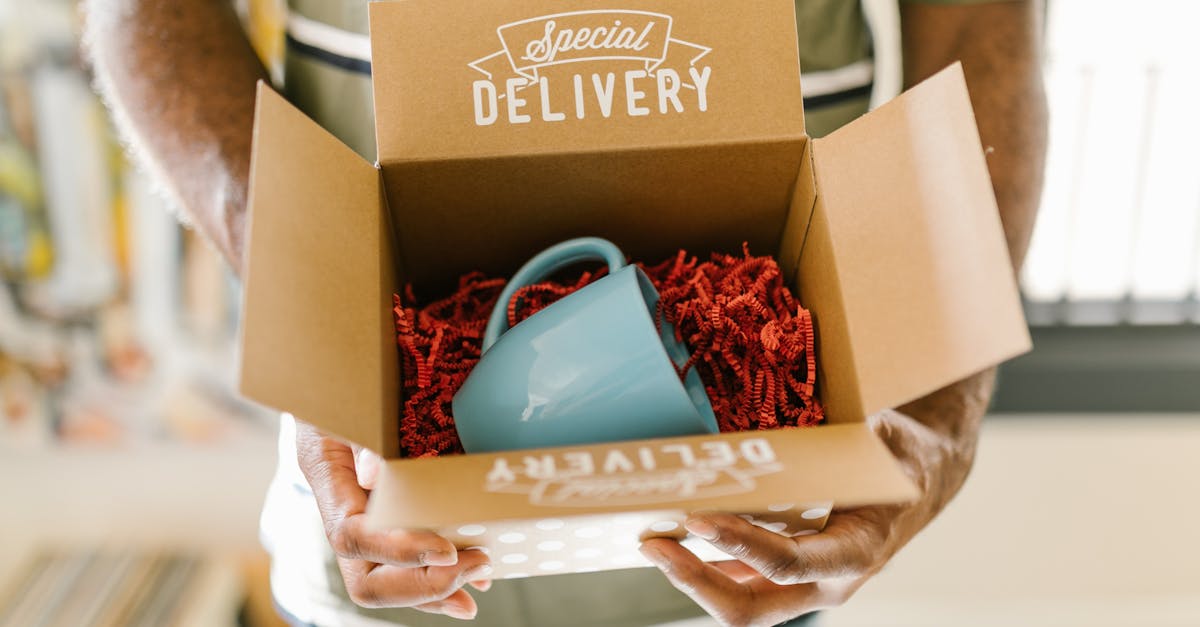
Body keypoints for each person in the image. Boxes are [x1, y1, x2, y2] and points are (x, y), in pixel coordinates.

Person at [83, 0, 1046, 625]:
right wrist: (311, 294)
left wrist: (937, 412)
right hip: (388, 527)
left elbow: (983, 19)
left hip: (762, 541)